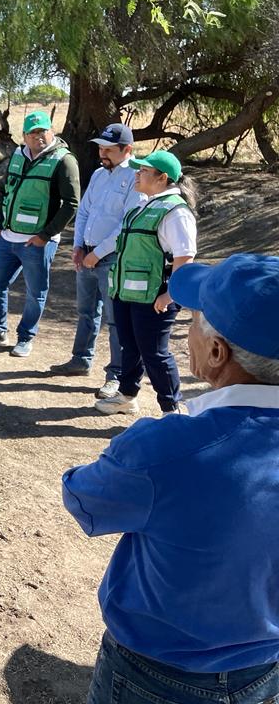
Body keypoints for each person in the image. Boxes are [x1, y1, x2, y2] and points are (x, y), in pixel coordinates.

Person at [63, 253, 279, 704]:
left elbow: (83, 498)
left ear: (218, 352)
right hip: (266, 669)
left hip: (155, 673)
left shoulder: (166, 446)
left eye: (195, 321)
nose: (187, 334)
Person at [0, 110, 79, 358]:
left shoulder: (64, 160)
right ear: (24, 136)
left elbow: (71, 204)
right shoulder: (17, 155)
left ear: (51, 131)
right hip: (8, 237)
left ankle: (26, 337)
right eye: (32, 132)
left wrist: (45, 236)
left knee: (35, 292)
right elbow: (4, 190)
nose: (38, 136)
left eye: (42, 131)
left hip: (37, 242)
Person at [95, 150, 197, 415]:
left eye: (143, 171)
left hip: (155, 298)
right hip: (127, 293)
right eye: (138, 169)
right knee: (129, 347)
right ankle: (127, 395)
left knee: (155, 353)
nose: (137, 174)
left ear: (163, 178)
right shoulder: (142, 205)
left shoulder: (175, 211)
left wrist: (169, 294)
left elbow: (185, 257)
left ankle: (171, 410)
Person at [50, 124, 145, 399]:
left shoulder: (136, 178)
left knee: (116, 321)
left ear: (126, 150)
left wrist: (97, 253)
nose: (102, 153)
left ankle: (115, 376)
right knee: (86, 312)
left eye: (108, 149)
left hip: (111, 259)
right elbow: (84, 212)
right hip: (88, 254)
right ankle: (80, 359)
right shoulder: (99, 174)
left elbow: (125, 226)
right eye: (101, 147)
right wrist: (78, 245)